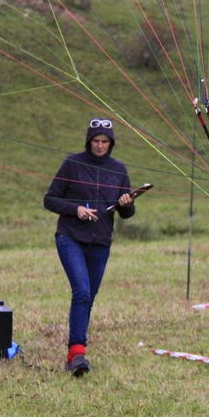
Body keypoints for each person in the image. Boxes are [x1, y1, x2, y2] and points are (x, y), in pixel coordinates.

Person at [44, 118, 135, 376]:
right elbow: (49, 199)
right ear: (88, 141)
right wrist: (76, 209)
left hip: (100, 242)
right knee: (82, 292)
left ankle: (75, 352)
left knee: (89, 297)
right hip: (70, 237)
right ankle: (77, 355)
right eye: (95, 140)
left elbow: (127, 213)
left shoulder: (119, 170)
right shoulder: (72, 164)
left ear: (111, 143)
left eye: (104, 141)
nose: (99, 145)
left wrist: (127, 203)